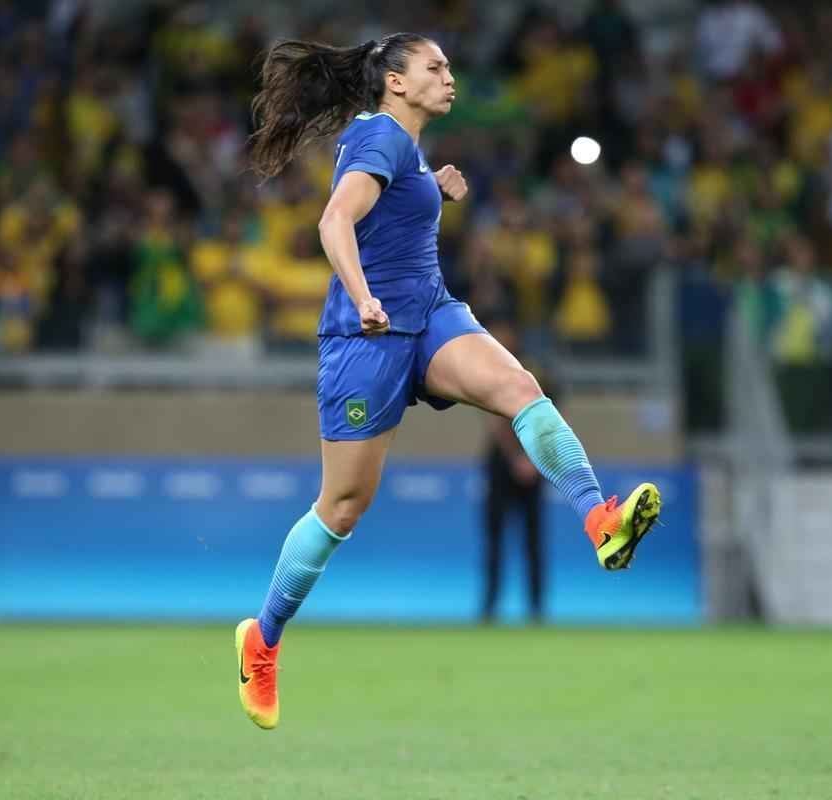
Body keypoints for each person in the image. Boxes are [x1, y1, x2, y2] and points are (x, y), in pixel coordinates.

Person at [234, 33, 662, 731]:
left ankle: (600, 519)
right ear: (396, 82)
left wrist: (432, 190)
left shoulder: (402, 148)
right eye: (434, 67)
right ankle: (264, 640)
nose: (449, 76)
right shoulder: (378, 135)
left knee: (521, 388)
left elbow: (388, 216)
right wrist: (362, 294)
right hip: (366, 337)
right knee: (342, 508)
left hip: (429, 317)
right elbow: (334, 220)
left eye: (449, 66)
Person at [480, 316, 547, 624]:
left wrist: (531, 460)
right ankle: (490, 607)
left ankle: (536, 609)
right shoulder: (486, 369)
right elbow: (495, 423)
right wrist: (517, 459)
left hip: (533, 466)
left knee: (533, 540)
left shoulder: (533, 370)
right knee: (494, 540)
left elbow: (548, 418)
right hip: (501, 467)